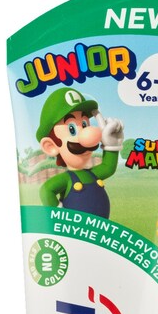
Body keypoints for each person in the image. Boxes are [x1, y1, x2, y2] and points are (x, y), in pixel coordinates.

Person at [36, 87, 124, 219]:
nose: (86, 136)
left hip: (102, 229)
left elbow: (108, 167)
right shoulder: (67, 179)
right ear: (51, 146)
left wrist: (112, 144)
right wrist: (61, 216)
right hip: (77, 231)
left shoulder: (92, 174)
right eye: (72, 129)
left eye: (84, 125)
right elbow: (46, 190)